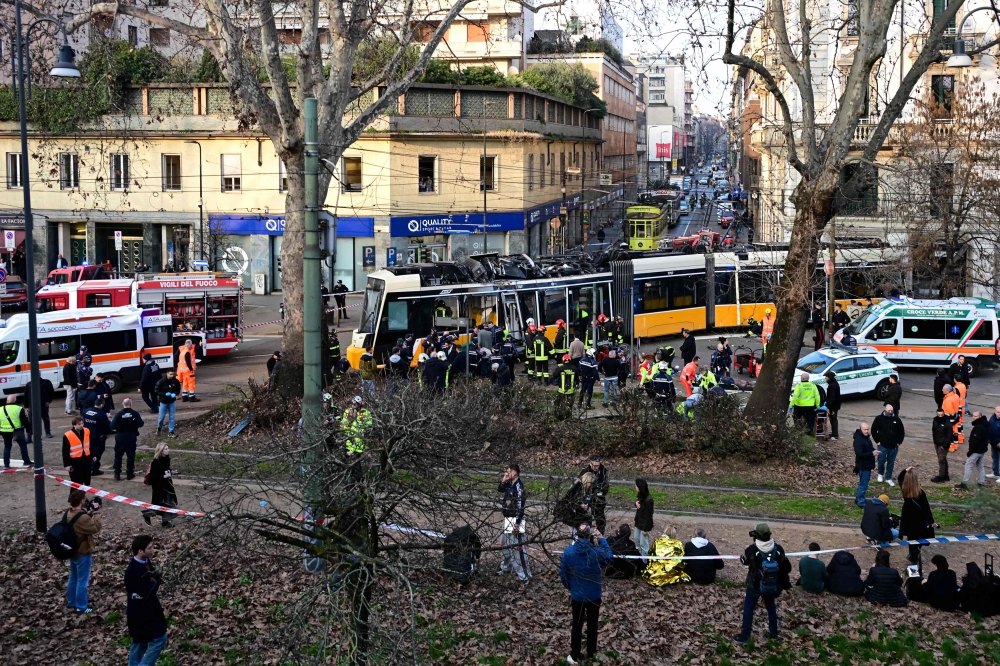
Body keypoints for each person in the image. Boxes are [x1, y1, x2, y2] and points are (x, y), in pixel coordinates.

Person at [559, 523, 612, 665]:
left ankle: (575, 653)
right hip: (593, 594)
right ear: (589, 536)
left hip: (578, 595)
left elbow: (563, 573)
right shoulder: (596, 552)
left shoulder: (569, 552)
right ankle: (591, 651)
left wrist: (571, 587)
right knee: (592, 624)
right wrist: (601, 539)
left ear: (577, 535)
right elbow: (609, 556)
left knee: (577, 624)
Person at [734, 523, 791, 644]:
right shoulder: (779, 549)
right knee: (771, 607)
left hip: (754, 584)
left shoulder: (752, 549)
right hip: (771, 584)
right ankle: (773, 633)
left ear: (756, 536)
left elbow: (743, 560)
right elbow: (787, 567)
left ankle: (745, 636)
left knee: (749, 607)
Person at [125, 535, 169, 665]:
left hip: (150, 610)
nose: (153, 550)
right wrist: (154, 583)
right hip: (141, 614)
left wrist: (154, 581)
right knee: (159, 638)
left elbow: (155, 579)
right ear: (140, 550)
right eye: (150, 548)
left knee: (139, 644)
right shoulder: (132, 571)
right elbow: (145, 592)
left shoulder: (146, 561)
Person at [65, 489, 101, 613]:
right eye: (84, 499)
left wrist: (89, 513)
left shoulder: (68, 513)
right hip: (83, 552)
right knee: (82, 581)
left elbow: (81, 520)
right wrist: (96, 513)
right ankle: (81, 607)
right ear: (81, 501)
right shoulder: (82, 518)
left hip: (72, 551)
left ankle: (71, 602)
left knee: (73, 576)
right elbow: (95, 527)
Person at [498, 465, 531, 587]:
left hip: (516, 521)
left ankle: (524, 576)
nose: (507, 473)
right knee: (504, 545)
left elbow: (520, 507)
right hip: (507, 519)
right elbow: (500, 489)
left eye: (509, 471)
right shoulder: (508, 483)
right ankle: (506, 568)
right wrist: (504, 479)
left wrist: (517, 524)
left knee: (518, 551)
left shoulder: (519, 487)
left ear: (516, 472)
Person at [900, 467, 936, 564]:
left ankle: (912, 554)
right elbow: (926, 509)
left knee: (911, 539)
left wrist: (906, 470)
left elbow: (900, 478)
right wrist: (932, 522)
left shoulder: (904, 489)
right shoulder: (920, 493)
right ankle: (915, 555)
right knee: (919, 538)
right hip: (919, 520)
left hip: (908, 519)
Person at [141, 443, 177, 528]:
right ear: (161, 451)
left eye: (168, 448)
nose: (168, 450)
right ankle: (147, 514)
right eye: (166, 449)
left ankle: (165, 522)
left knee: (169, 503)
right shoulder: (155, 462)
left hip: (167, 485)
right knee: (159, 504)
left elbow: (165, 469)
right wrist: (164, 476)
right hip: (159, 487)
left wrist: (171, 472)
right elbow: (153, 476)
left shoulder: (166, 459)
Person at [111, 399, 145, 481]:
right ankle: (129, 473)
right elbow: (141, 423)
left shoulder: (118, 414)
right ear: (131, 404)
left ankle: (117, 473)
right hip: (131, 437)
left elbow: (112, 426)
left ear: (123, 404)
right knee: (130, 455)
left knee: (118, 455)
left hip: (120, 437)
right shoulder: (135, 414)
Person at [871, 403, 904, 485]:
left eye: (891, 410)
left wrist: (899, 442)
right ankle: (880, 474)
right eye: (888, 410)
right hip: (882, 445)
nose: (890, 412)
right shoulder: (879, 418)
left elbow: (901, 432)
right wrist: (877, 441)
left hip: (893, 446)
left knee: (891, 463)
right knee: (881, 461)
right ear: (885, 410)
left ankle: (888, 477)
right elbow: (873, 430)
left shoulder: (897, 420)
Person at [956, 410, 988, 489]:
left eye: (975, 416)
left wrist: (970, 452)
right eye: (973, 416)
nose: (973, 417)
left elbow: (975, 441)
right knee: (980, 467)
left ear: (980, 417)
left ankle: (964, 483)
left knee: (968, 466)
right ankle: (981, 482)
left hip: (976, 451)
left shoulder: (978, 427)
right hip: (982, 450)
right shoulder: (985, 425)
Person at [62, 416, 93, 493]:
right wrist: (67, 464)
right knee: (76, 482)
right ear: (74, 425)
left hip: (86, 459)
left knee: (86, 480)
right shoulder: (68, 435)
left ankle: (82, 498)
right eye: (79, 424)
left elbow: (90, 444)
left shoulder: (87, 431)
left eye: (82, 423)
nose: (82, 425)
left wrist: (93, 455)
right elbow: (65, 451)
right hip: (75, 461)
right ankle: (74, 499)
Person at [0, 395, 31, 469]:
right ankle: (26, 461)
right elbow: (24, 421)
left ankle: (6, 464)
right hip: (17, 431)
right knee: (22, 445)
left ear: (7, 401)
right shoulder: (19, 409)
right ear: (15, 400)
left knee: (7, 446)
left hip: (4, 431)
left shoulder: (0, 409)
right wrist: (28, 429)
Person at [82, 398, 111, 476]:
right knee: (98, 452)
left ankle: (88, 466)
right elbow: (107, 427)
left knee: (88, 451)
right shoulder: (101, 414)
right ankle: (94, 469)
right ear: (101, 405)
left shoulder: (86, 411)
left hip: (87, 435)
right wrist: (108, 419)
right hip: (97, 436)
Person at [852, 422, 875, 507]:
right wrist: (872, 453)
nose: (866, 431)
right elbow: (859, 454)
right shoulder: (858, 440)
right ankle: (861, 502)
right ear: (860, 429)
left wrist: (874, 451)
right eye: (865, 429)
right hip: (863, 465)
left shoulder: (866, 438)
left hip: (866, 464)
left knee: (863, 483)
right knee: (863, 484)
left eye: (867, 429)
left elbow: (869, 449)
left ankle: (859, 498)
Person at [154, 370, 181, 438]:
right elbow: (156, 391)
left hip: (172, 401)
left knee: (172, 417)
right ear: (167, 373)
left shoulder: (175, 381)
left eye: (173, 374)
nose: (172, 376)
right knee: (161, 417)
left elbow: (178, 388)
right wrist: (165, 394)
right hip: (163, 402)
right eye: (170, 374)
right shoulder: (161, 382)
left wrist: (175, 394)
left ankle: (171, 431)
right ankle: (159, 427)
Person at [931, 407, 953, 483]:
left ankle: (941, 476)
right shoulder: (935, 421)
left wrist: (944, 445)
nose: (940, 416)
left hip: (943, 444)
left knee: (941, 460)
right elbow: (933, 430)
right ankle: (945, 475)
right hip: (937, 443)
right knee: (943, 459)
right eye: (938, 415)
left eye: (941, 415)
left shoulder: (947, 423)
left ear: (943, 414)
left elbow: (949, 435)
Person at [633, 478, 654, 559]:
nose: (635, 487)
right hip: (638, 522)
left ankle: (645, 561)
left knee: (643, 544)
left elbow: (649, 515)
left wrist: (646, 529)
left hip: (645, 525)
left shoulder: (648, 500)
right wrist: (635, 503)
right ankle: (639, 558)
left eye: (636, 486)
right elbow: (638, 504)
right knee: (637, 540)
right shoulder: (641, 496)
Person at [553, 354, 576, 419]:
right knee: (569, 405)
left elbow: (554, 374)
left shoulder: (560, 368)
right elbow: (577, 379)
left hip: (561, 391)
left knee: (558, 403)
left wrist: (558, 368)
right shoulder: (574, 368)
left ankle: (559, 417)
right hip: (571, 391)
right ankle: (568, 417)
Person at [942, 384, 963, 453]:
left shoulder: (948, 400)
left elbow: (949, 411)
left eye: (943, 389)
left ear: (947, 390)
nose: (942, 390)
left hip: (950, 419)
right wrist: (957, 417)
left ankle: (951, 447)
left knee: (949, 433)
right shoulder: (956, 396)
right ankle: (955, 445)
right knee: (955, 432)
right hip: (955, 417)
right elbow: (959, 406)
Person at [824, 371, 842, 440]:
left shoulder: (832, 385)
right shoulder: (833, 384)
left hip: (834, 406)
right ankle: (834, 433)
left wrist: (827, 405)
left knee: (833, 419)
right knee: (832, 419)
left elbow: (832, 397)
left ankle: (835, 435)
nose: (825, 378)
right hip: (834, 405)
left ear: (829, 377)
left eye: (826, 377)